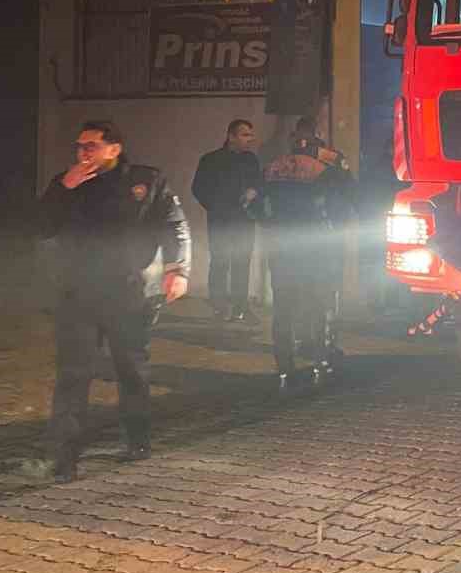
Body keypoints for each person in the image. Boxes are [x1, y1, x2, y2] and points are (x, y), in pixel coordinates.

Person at [30, 120, 190, 481]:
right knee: (73, 374)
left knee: (131, 370)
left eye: (92, 145)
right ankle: (65, 457)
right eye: (80, 146)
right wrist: (62, 189)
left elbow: (174, 223)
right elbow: (39, 226)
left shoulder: (146, 180)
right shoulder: (68, 183)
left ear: (114, 148)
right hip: (79, 293)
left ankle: (138, 438)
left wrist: (177, 268)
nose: (83, 152)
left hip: (129, 292)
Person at [261, 117, 355, 390]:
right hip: (319, 249)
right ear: (318, 139)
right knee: (322, 304)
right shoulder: (326, 169)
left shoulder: (273, 167)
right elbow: (349, 195)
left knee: (283, 308)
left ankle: (284, 369)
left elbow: (254, 203)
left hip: (282, 248)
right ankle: (322, 364)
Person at [191, 119, 262, 322]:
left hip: (245, 220)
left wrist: (253, 192)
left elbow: (259, 184)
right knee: (220, 262)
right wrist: (216, 207)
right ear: (231, 136)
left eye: (251, 135)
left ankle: (241, 306)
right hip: (221, 220)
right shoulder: (211, 160)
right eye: (245, 135)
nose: (250, 139)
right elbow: (198, 188)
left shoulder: (251, 160)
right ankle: (219, 307)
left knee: (242, 262)